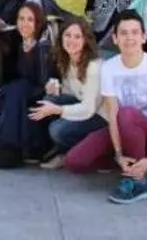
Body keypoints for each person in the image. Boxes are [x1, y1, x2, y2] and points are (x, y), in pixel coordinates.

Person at [64, 11, 147, 205]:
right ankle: (130, 165)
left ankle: (137, 181)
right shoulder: (110, 67)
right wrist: (118, 154)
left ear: (144, 37)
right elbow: (112, 113)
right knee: (74, 161)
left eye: (134, 32)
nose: (129, 37)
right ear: (115, 39)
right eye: (123, 33)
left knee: (128, 114)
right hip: (121, 128)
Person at [28, 19, 106, 170]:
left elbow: (88, 108)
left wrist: (58, 110)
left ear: (85, 40)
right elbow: (71, 92)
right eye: (67, 35)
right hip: (84, 108)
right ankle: (58, 148)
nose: (71, 40)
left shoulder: (93, 67)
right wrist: (56, 90)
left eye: (77, 36)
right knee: (49, 99)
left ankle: (74, 152)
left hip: (101, 117)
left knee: (57, 129)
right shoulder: (68, 60)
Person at [0, 2, 56, 161]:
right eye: (21, 19)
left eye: (30, 19)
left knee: (15, 90)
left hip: (40, 95)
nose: (24, 23)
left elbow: (43, 85)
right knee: (11, 90)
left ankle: (9, 145)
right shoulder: (19, 43)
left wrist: (17, 91)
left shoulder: (42, 47)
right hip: (22, 93)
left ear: (37, 23)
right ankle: (8, 145)